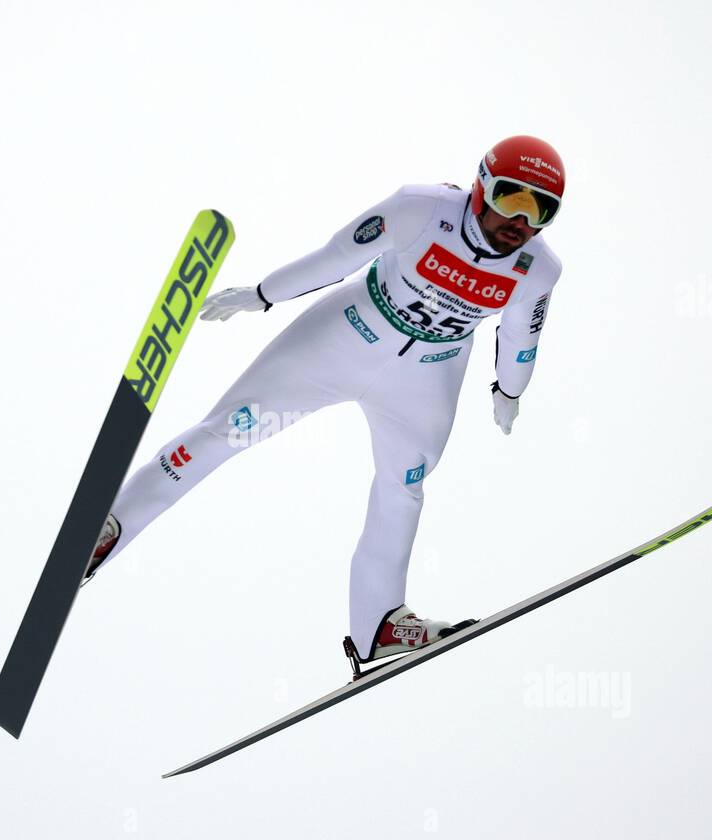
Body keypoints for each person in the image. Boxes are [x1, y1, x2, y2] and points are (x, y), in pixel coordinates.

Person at [89, 135, 565, 668]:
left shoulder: (538, 269)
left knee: (403, 490)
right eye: (510, 199)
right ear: (480, 187)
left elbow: (524, 337)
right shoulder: (423, 209)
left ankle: (379, 627)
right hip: (345, 338)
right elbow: (338, 256)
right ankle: (110, 525)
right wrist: (265, 293)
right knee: (231, 429)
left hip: (425, 380)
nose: (519, 222)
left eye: (540, 210)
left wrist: (508, 391)